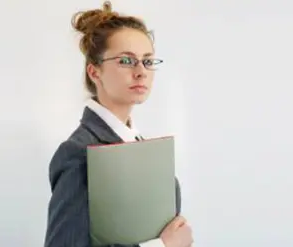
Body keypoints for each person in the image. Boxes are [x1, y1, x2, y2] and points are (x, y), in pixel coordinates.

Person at [43, 1, 193, 247]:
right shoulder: (79, 153)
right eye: (126, 61)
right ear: (95, 72)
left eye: (147, 61)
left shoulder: (146, 150)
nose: (141, 71)